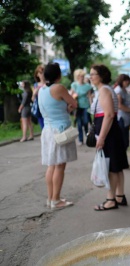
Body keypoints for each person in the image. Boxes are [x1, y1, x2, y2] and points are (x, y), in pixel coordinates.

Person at [90, 64, 129, 210]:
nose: (91, 77)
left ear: (101, 76)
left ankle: (111, 199)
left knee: (111, 167)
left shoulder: (104, 90)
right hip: (111, 131)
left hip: (108, 132)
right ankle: (120, 196)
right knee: (116, 166)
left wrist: (101, 137)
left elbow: (109, 114)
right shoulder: (104, 90)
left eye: (93, 74)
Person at [38, 62, 77, 210]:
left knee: (51, 165)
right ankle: (56, 200)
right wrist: (68, 106)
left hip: (47, 130)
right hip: (60, 131)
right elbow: (73, 103)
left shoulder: (41, 90)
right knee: (60, 166)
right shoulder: (59, 88)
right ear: (58, 75)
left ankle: (51, 198)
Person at [70, 69, 93, 145]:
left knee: (86, 122)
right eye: (79, 76)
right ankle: (80, 140)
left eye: (82, 76)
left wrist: (91, 106)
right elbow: (71, 96)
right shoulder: (74, 85)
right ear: (77, 77)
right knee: (79, 123)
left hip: (86, 105)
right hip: (77, 106)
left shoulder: (87, 86)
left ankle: (87, 137)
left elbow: (89, 96)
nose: (81, 77)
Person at [114, 74, 130, 152]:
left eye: (128, 81)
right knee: (123, 141)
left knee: (125, 141)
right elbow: (119, 105)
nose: (127, 82)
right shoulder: (119, 90)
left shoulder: (124, 89)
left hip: (126, 118)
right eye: (125, 81)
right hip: (121, 118)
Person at [32, 64, 46, 129]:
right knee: (43, 127)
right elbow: (33, 99)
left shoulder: (49, 83)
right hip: (40, 108)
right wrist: (34, 93)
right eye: (40, 73)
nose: (42, 74)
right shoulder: (36, 85)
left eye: (43, 72)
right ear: (37, 74)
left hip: (48, 107)